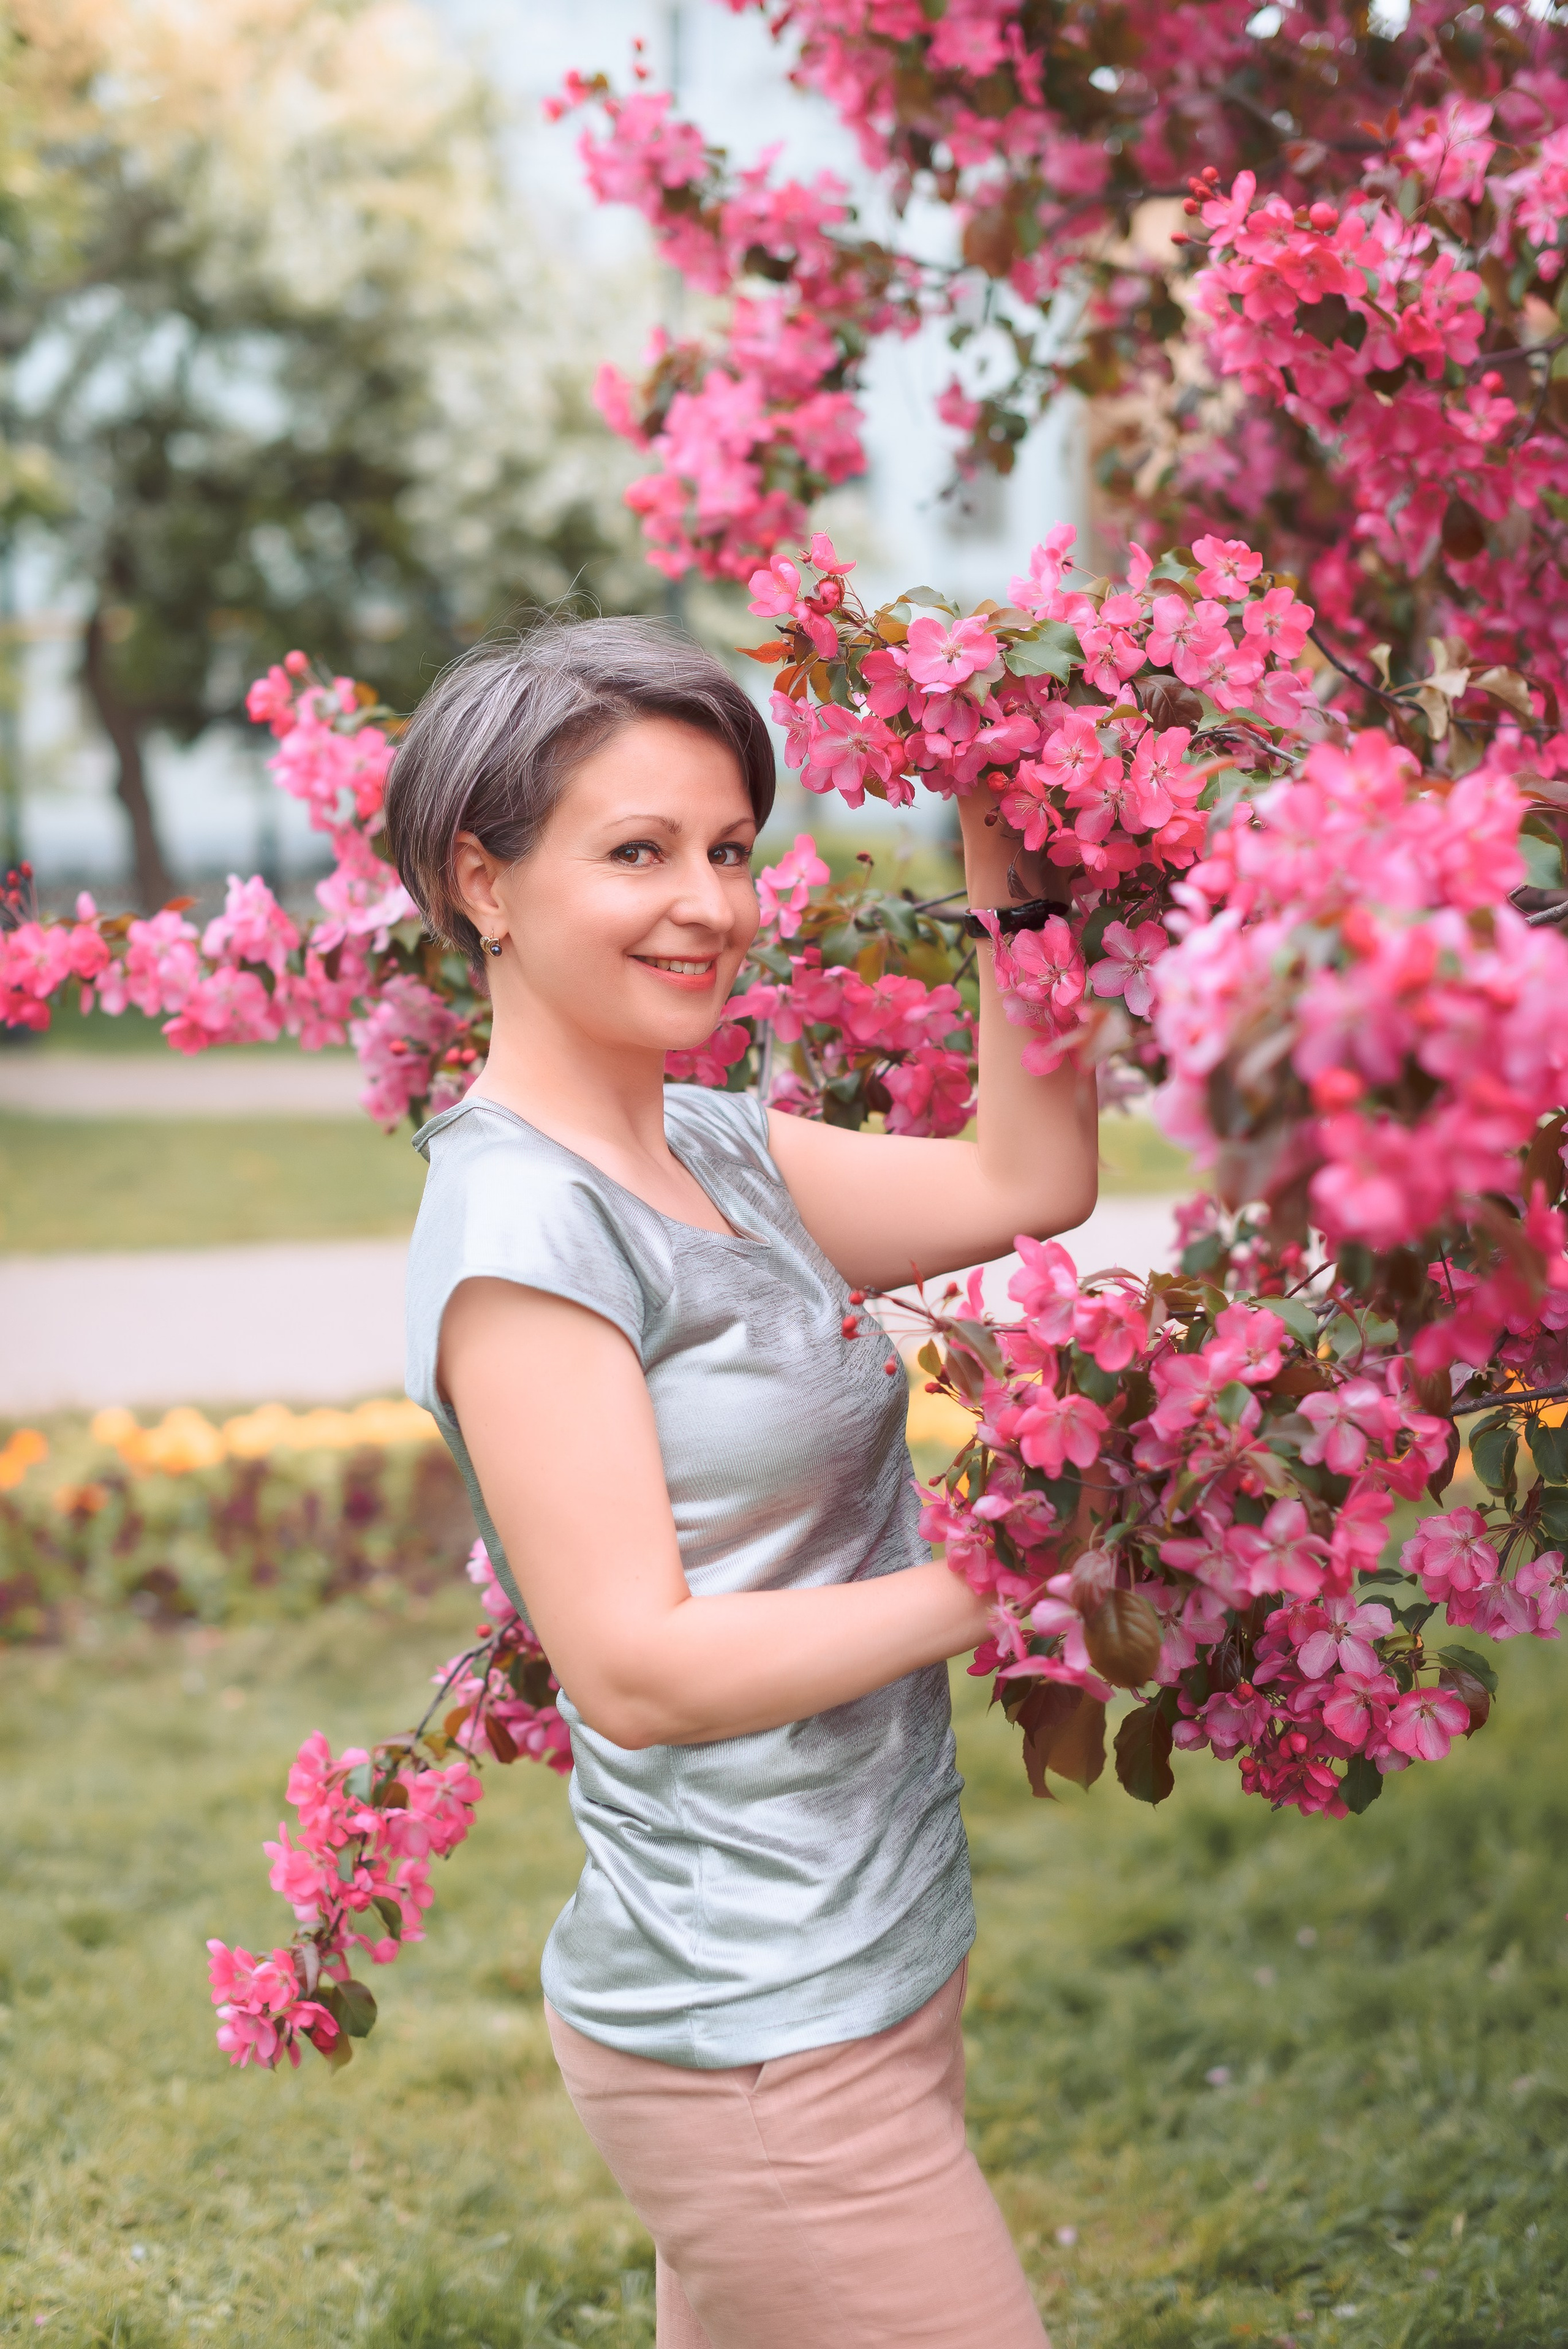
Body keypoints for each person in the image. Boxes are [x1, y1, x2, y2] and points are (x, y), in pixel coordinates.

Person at [384, 616, 1098, 2349]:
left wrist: (1022, 880)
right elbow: (636, 1664)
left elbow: (1033, 1172)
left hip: (861, 1965)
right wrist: (1012, 1590)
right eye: (637, 851)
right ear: (484, 881)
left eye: (726, 849)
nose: (709, 903)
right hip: (757, 2034)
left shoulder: (704, 1138)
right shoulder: (528, 1232)